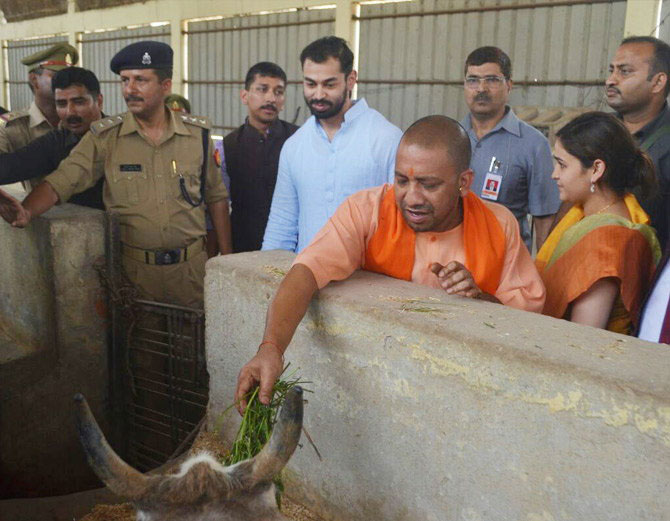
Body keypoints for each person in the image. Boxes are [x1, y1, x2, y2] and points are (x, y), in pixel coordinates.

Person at [235, 115, 545, 410]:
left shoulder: (499, 224)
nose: (412, 197)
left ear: (464, 182)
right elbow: (306, 271)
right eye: (401, 181)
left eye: (429, 184)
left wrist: (480, 298)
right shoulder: (365, 210)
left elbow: (525, 319)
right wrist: (271, 349)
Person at [0, 41, 232, 309]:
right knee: (138, 348)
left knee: (195, 347)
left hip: (190, 273)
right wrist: (27, 211)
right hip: (133, 277)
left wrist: (226, 260)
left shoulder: (196, 136)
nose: (130, 89)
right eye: (124, 80)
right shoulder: (105, 137)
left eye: (140, 80)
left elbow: (216, 197)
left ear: (165, 85)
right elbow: (60, 182)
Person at [262, 36, 402, 253]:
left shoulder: (386, 139)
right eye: (310, 84)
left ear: (351, 79)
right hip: (307, 280)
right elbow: (282, 225)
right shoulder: (294, 147)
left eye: (329, 84)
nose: (318, 94)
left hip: (369, 281)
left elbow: (402, 223)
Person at [536, 112, 660, 334]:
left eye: (562, 165)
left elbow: (584, 338)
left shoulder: (607, 242)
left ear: (596, 170)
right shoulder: (588, 215)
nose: (554, 174)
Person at [460, 46, 559, 252]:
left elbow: (545, 218)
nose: (481, 89)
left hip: (506, 269)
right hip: (451, 263)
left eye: (492, 80)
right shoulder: (450, 137)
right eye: (473, 80)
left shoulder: (533, 144)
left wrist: (543, 274)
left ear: (509, 85)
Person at [0, 67, 104, 209]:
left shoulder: (120, 136)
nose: (70, 112)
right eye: (61, 104)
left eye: (79, 102)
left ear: (98, 101)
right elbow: (10, 167)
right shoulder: (56, 142)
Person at [223, 62, 298, 253]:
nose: (271, 98)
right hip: (244, 248)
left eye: (278, 92)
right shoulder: (228, 146)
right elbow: (220, 204)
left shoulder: (299, 140)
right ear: (244, 96)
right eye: (262, 89)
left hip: (291, 248)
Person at [606, 36, 670, 251]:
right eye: (611, 70)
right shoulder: (598, 132)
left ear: (658, 82)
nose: (611, 80)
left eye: (624, 71)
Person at [0, 43, 78, 190]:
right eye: (57, 76)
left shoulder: (81, 121)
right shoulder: (10, 125)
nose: (66, 83)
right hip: (38, 209)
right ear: (34, 80)